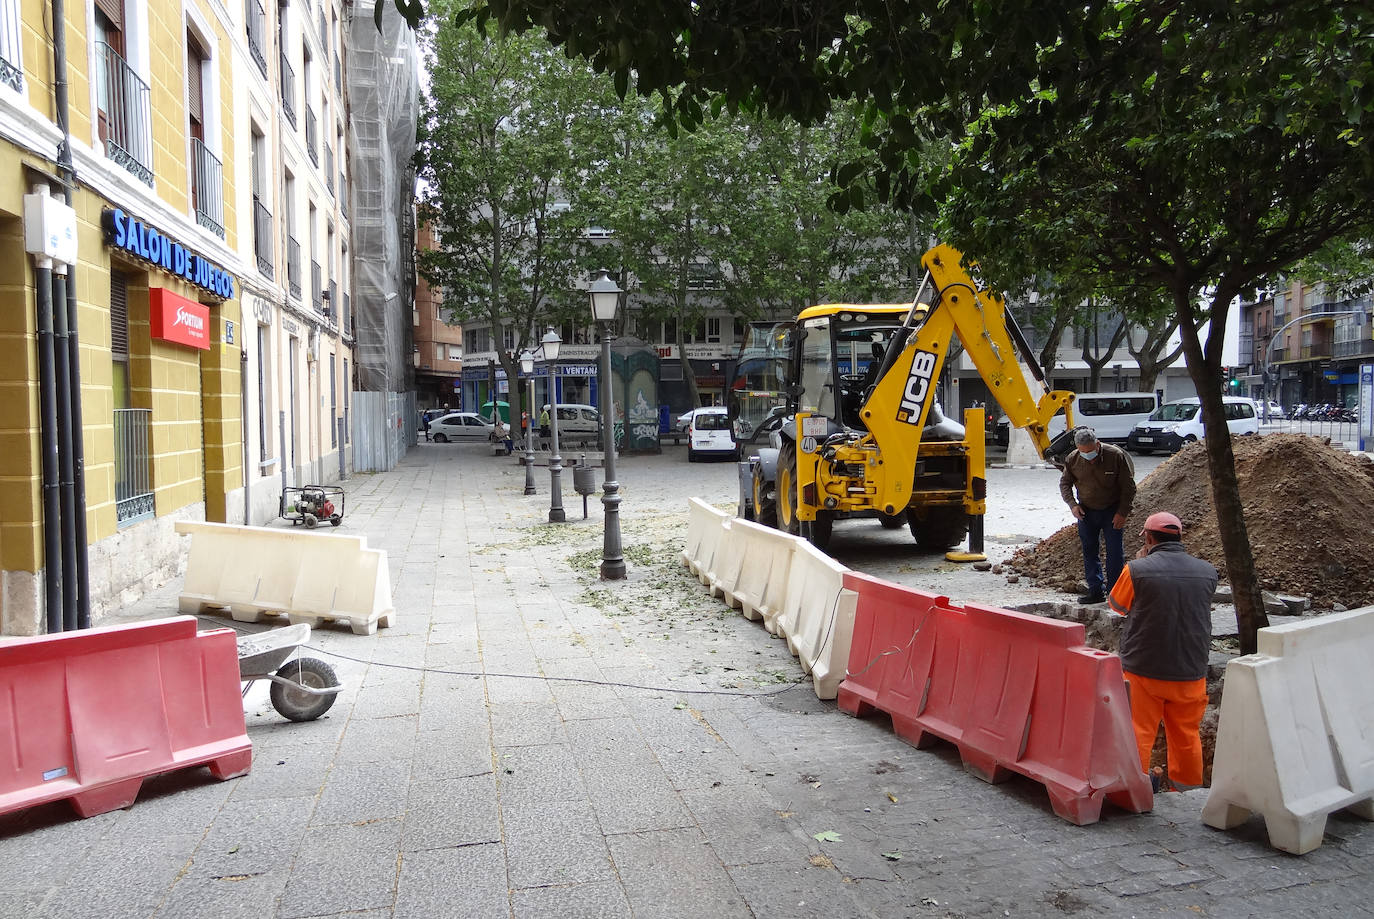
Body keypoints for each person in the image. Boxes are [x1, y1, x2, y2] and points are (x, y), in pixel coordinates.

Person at [1108, 511, 1217, 791]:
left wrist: (1140, 566)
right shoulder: (1207, 571)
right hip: (1191, 670)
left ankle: (1135, 791)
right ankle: (1186, 793)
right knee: (1186, 734)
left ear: (1149, 538)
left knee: (1139, 732)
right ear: (1180, 537)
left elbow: (1117, 606)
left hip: (1144, 669)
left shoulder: (1136, 569)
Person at [1059, 426, 1137, 604]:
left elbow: (1129, 487)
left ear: (1098, 444)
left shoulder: (1115, 456)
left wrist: (1122, 513)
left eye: (1091, 452)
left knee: (1115, 553)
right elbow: (1064, 483)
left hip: (1112, 510)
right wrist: (1072, 505)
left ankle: (1115, 593)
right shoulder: (1073, 459)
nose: (1089, 456)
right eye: (1083, 452)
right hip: (1086, 511)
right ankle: (1095, 591)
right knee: (1089, 550)